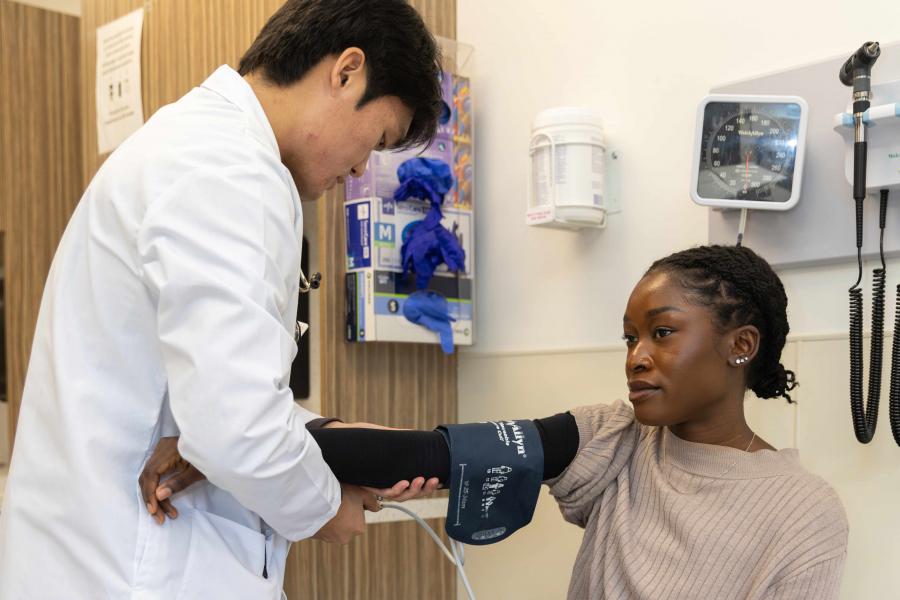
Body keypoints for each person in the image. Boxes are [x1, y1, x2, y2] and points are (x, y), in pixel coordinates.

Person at [0, 1, 442, 598]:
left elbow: (213, 405)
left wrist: (327, 435)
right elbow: (238, 431)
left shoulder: (198, 146)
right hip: (131, 568)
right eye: (378, 139)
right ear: (346, 72)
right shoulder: (230, 171)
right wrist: (324, 508)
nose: (361, 167)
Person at [144, 244, 849, 599]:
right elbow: (428, 455)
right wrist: (236, 442)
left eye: (661, 334)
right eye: (628, 337)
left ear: (741, 345)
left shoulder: (801, 513)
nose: (635, 358)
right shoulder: (616, 439)